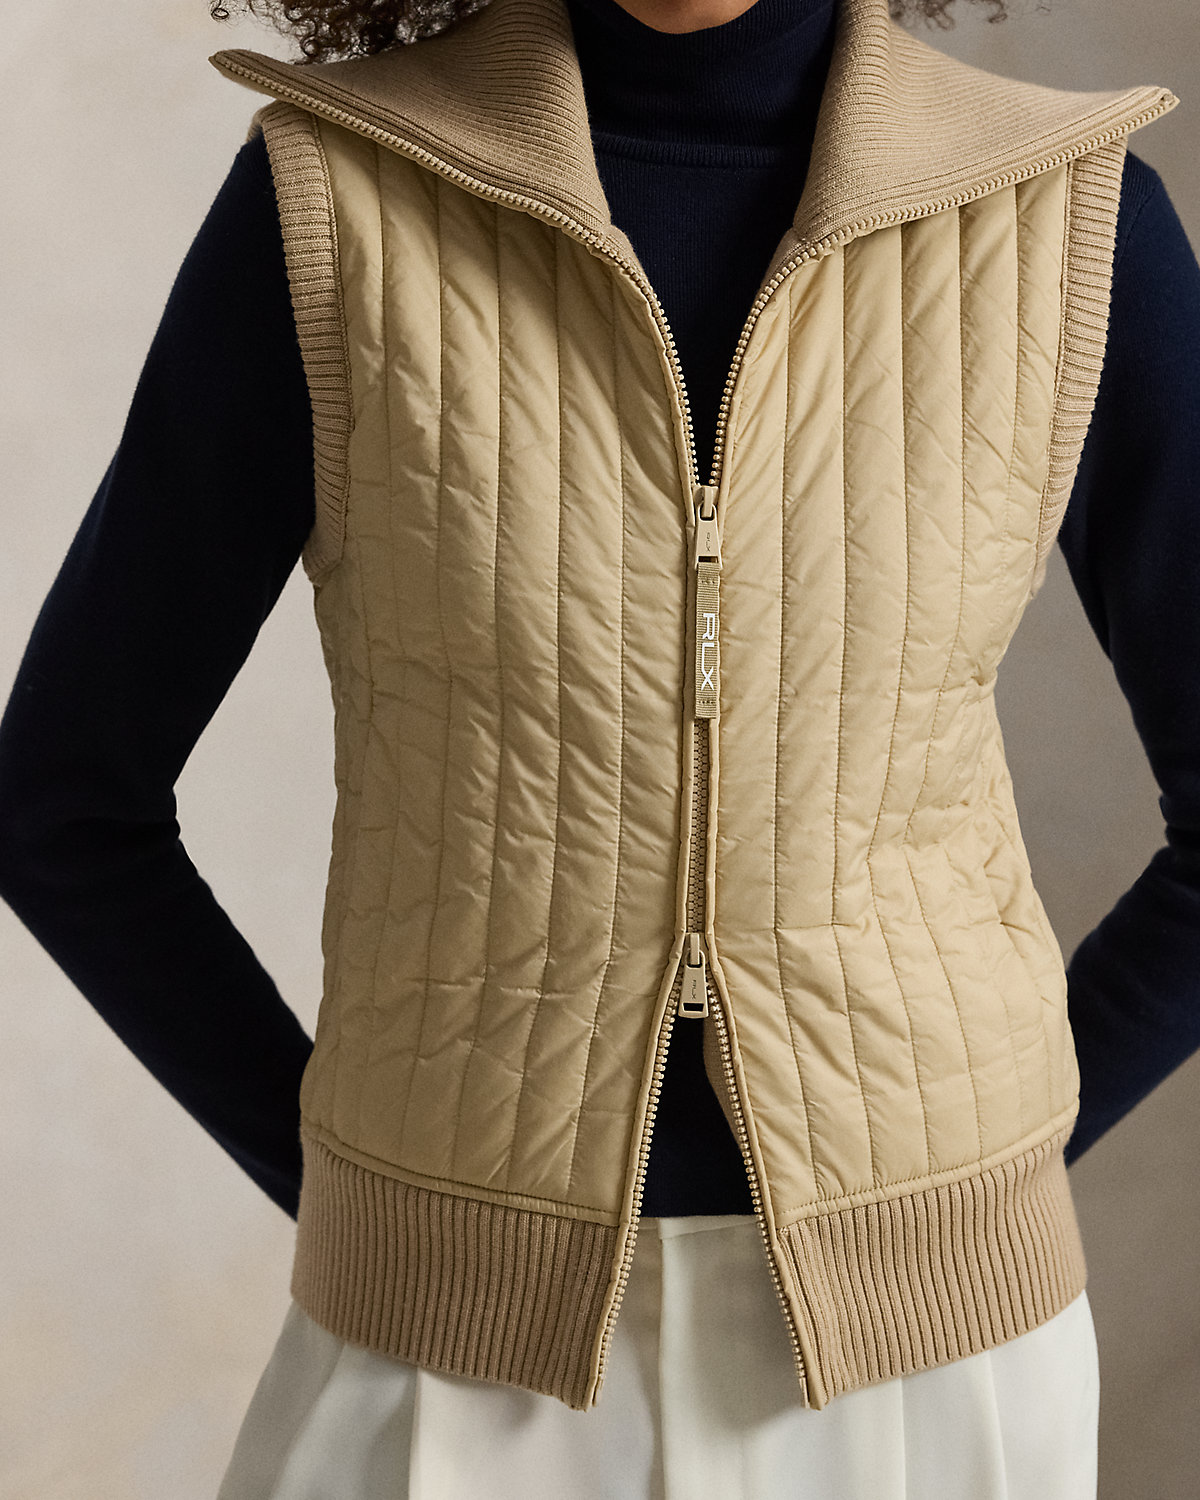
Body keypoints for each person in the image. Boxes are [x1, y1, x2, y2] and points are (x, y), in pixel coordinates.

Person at [0, 0, 1197, 1493]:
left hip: (935, 1371)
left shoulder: (1066, 216)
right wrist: (368, 1187)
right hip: (442, 1356)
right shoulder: (336, 198)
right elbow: (63, 802)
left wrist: (976, 1162)